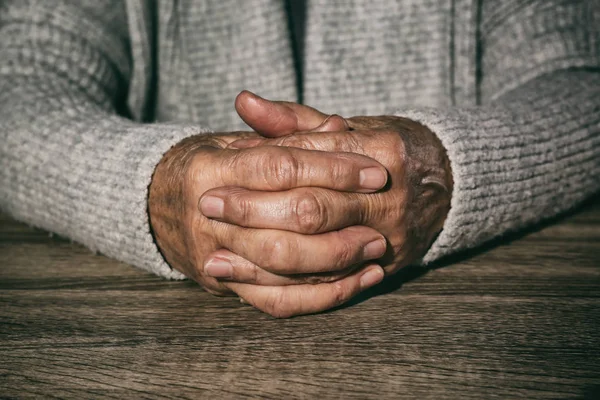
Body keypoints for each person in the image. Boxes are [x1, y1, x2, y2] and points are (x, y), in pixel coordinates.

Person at [0, 0, 598, 318]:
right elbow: (17, 91)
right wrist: (155, 186)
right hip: (173, 343)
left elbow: (579, 86)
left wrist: (443, 168)